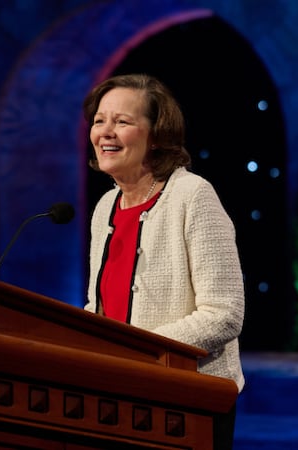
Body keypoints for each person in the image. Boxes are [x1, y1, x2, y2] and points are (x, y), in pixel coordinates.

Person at [82, 73, 245, 450]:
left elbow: (224, 314)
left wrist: (139, 352)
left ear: (156, 135)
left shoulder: (193, 196)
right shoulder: (106, 206)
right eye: (99, 120)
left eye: (122, 121)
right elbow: (99, 307)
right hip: (117, 395)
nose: (106, 132)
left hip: (189, 399)